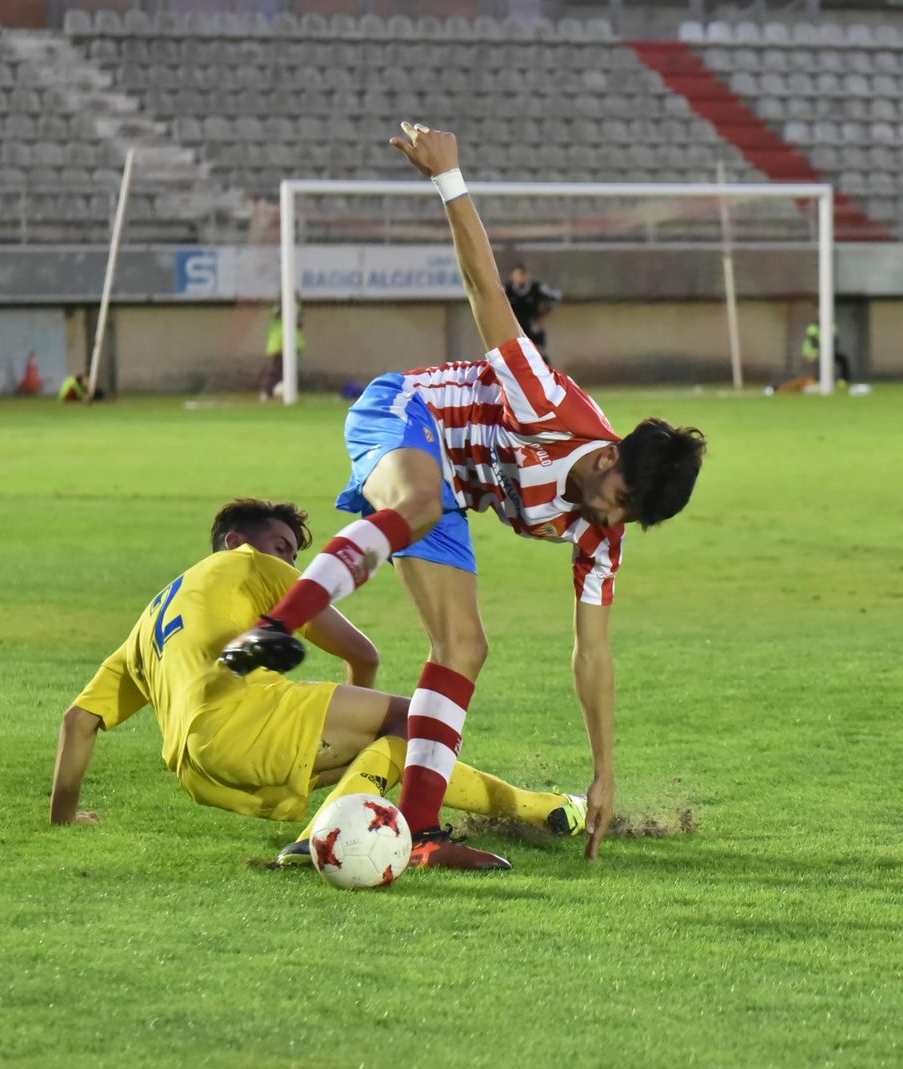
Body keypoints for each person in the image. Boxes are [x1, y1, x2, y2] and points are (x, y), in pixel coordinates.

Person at [220, 122, 706, 868]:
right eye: (618, 498)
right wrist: (450, 178)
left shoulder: (601, 532)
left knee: (465, 647)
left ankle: (418, 834)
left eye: (628, 518)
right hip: (404, 414)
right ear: (608, 455)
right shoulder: (549, 404)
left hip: (450, 492)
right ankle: (275, 627)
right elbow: (485, 287)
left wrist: (605, 768)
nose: (611, 518)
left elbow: (593, 652)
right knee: (416, 502)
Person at [50, 498, 586, 860]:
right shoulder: (248, 564)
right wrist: (353, 709)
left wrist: (65, 820)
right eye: (283, 546)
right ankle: (322, 839)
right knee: (415, 721)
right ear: (237, 540)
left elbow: (79, 722)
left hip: (200, 770)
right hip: (249, 722)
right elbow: (363, 652)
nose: (289, 560)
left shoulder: (149, 624)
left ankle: (543, 811)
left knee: (382, 751)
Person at [504, 263, 561, 360]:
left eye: (523, 274)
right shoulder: (506, 290)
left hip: (533, 326)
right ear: (513, 276)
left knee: (539, 356)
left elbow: (555, 297)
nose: (521, 277)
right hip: (514, 327)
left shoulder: (537, 288)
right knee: (513, 357)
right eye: (518, 274)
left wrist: (541, 318)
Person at [259, 301, 303, 402]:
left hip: (290, 348)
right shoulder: (281, 323)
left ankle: (284, 391)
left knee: (286, 372)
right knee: (275, 371)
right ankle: (266, 391)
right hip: (278, 348)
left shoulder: (293, 323)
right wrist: (282, 346)